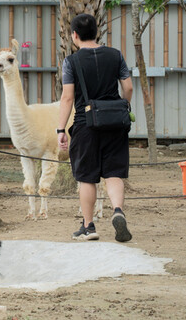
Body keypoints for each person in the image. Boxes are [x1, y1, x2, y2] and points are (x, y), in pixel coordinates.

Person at [56, 13, 133, 242]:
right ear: (97, 33)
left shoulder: (71, 61)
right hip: (115, 123)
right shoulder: (115, 55)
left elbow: (67, 98)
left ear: (74, 35)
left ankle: (89, 227)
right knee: (114, 172)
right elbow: (127, 87)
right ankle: (117, 211)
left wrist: (61, 129)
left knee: (87, 177)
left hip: (85, 124)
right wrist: (124, 105)